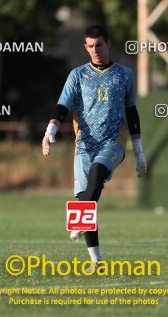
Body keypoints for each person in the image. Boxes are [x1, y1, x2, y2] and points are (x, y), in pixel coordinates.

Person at [42, 25, 147, 270]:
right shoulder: (77, 75)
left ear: (108, 44)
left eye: (99, 44)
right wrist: (50, 132)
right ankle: (97, 260)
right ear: (85, 47)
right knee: (84, 197)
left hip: (112, 142)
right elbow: (62, 107)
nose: (95, 50)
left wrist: (139, 151)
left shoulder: (125, 75)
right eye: (90, 46)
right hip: (84, 146)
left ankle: (79, 221)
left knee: (98, 172)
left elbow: (132, 113)